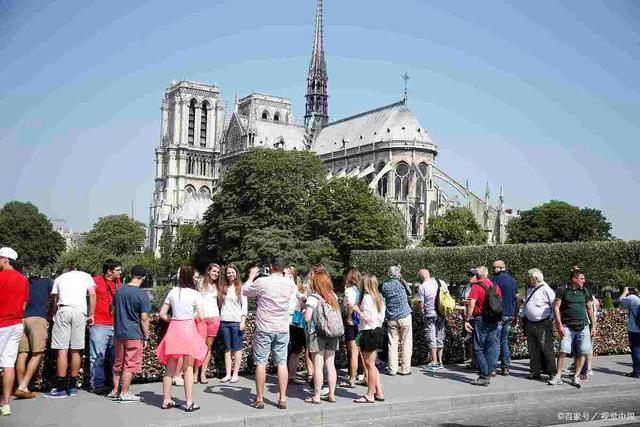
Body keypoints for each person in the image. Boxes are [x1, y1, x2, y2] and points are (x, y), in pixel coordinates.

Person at [243, 256, 297, 410]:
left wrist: (252, 276)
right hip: (282, 327)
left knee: (261, 362)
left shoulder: (262, 281)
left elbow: (246, 291)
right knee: (281, 363)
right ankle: (282, 398)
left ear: (271, 267)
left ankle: (260, 399)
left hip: (264, 327)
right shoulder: (289, 283)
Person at [157, 265, 207, 411]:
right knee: (189, 367)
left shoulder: (173, 292)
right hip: (189, 330)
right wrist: (192, 317)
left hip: (174, 329)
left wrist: (172, 319)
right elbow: (202, 317)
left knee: (170, 367)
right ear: (192, 277)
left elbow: (162, 314)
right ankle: (189, 402)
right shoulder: (195, 294)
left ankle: (166, 400)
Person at [43, 265, 96, 399]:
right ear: (77, 270)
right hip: (80, 312)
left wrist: (54, 311)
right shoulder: (86, 276)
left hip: (64, 309)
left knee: (62, 350)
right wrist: (92, 313)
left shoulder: (60, 278)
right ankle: (72, 386)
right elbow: (92, 293)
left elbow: (55, 298)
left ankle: (61, 388)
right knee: (76, 350)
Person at [108, 265, 151, 402]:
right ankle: (125, 393)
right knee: (130, 364)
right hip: (134, 333)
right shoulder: (142, 294)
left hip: (119, 332)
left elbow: (113, 311)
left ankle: (115, 390)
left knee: (118, 362)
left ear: (131, 274)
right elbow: (144, 318)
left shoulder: (119, 291)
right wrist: (146, 335)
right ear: (144, 277)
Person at [548, 269, 596, 389]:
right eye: (582, 278)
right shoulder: (563, 290)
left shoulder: (585, 290)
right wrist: (559, 325)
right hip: (567, 326)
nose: (584, 281)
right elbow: (556, 308)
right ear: (574, 279)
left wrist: (594, 326)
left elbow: (590, 309)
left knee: (582, 351)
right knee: (563, 350)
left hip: (583, 326)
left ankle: (576, 376)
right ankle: (558, 376)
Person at [302, 271, 341, 404]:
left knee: (318, 367)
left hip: (317, 334)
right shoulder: (333, 296)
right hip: (333, 333)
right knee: (331, 365)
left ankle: (317, 396)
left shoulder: (314, 297)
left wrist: (304, 311)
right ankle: (332, 394)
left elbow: (307, 318)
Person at [0, 247, 29, 416]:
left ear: (5, 260)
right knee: (8, 363)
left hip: (2, 322)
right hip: (16, 323)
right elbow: (24, 304)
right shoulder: (23, 279)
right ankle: (5, 403)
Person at [14, 274, 53, 400]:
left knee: (22, 353)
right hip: (37, 318)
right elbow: (55, 297)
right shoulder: (47, 281)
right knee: (37, 353)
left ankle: (21, 386)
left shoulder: (24, 283)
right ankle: (23, 386)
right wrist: (51, 311)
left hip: (22, 319)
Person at [464, 266, 502, 386]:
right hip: (494, 319)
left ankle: (484, 375)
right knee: (490, 347)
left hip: (481, 318)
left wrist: (467, 319)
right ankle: (489, 372)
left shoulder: (476, 286)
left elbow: (471, 304)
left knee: (478, 348)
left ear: (478, 275)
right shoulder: (495, 286)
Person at [89, 259, 122, 394]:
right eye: (118, 270)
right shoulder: (95, 281)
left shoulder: (118, 283)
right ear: (109, 271)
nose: (120, 272)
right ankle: (97, 385)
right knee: (97, 356)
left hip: (115, 324)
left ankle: (116, 385)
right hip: (99, 324)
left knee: (116, 357)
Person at [352, 273, 385, 403]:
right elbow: (380, 318)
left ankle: (370, 395)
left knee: (370, 365)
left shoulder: (366, 297)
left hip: (368, 332)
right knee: (373, 365)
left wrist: (357, 310)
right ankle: (379, 392)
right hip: (377, 331)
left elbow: (367, 318)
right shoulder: (380, 297)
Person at [519, 268, 556, 380]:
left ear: (535, 278)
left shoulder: (546, 289)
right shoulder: (530, 289)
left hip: (543, 323)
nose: (528, 280)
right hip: (530, 323)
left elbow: (554, 305)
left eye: (529, 278)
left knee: (546, 348)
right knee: (533, 349)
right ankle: (535, 371)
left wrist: (551, 319)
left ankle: (552, 372)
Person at [380, 265, 412, 376]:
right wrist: (402, 279)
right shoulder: (402, 283)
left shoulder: (384, 285)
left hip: (391, 317)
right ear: (398, 274)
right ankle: (405, 369)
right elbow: (410, 293)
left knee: (392, 343)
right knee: (406, 343)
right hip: (405, 316)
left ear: (389, 274)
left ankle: (392, 369)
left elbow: (383, 296)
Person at [218, 264, 248, 384]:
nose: (231, 275)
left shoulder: (241, 287)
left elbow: (244, 306)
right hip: (224, 321)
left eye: (232, 272)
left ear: (236, 273)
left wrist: (243, 321)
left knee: (237, 349)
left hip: (236, 322)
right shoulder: (223, 287)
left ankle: (235, 374)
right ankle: (228, 374)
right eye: (228, 273)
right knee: (227, 349)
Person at [491, 260, 519, 376]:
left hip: (498, 314)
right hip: (509, 314)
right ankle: (505, 367)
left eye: (494, 268)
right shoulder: (512, 281)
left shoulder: (494, 280)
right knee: (504, 341)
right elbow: (517, 298)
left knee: (495, 341)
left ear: (499, 268)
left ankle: (492, 367)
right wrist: (516, 314)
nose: (493, 270)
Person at [416, 268, 448, 371]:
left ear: (421, 276)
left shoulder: (422, 286)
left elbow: (421, 305)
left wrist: (418, 306)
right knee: (440, 337)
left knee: (431, 337)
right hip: (441, 312)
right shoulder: (441, 282)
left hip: (430, 313)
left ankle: (434, 362)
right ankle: (440, 362)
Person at [196, 263, 222, 384]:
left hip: (214, 318)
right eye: (214, 271)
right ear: (208, 271)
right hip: (201, 318)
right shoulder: (200, 282)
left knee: (208, 346)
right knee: (199, 346)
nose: (216, 274)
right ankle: (195, 373)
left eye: (217, 272)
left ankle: (203, 374)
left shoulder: (218, 286)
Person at [286, 266, 310, 385]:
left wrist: (304, 298)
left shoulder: (294, 286)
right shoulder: (288, 285)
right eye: (285, 273)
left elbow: (299, 296)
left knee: (296, 349)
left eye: (289, 274)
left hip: (293, 320)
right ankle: (290, 375)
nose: (286, 275)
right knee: (293, 349)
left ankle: (291, 375)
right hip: (287, 320)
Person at [340, 268, 362, 388]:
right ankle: (361, 374)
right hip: (361, 322)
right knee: (360, 350)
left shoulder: (349, 290)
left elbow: (350, 305)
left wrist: (348, 317)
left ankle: (352, 377)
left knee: (352, 351)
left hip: (352, 322)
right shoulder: (361, 289)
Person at [619, 287, 640, 378]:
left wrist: (624, 292)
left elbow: (621, 301)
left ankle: (637, 371)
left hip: (634, 328)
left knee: (636, 349)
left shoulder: (632, 298)